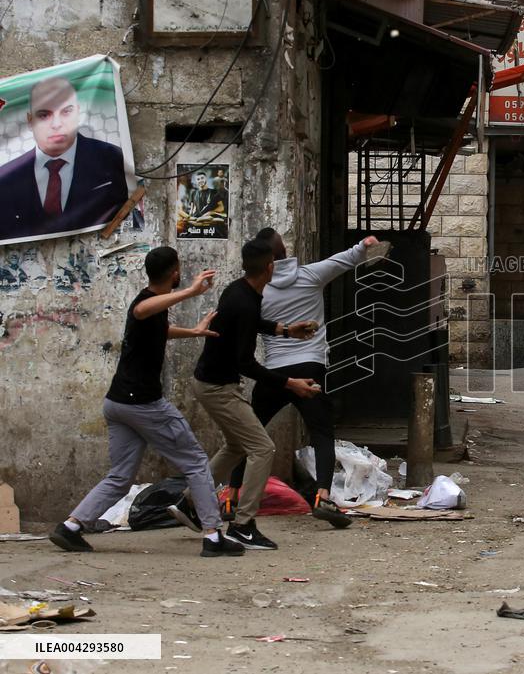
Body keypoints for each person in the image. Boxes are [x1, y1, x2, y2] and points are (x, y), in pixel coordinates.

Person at [49, 247, 245, 558]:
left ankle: (71, 527)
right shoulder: (144, 303)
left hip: (118, 404)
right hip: (142, 404)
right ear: (175, 273)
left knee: (120, 475)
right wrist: (191, 292)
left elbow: (158, 329)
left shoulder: (153, 307)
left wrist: (193, 331)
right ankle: (212, 535)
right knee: (195, 462)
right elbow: (142, 311)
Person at [223, 230, 378, 528]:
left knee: (249, 433)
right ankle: (322, 496)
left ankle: (231, 496)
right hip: (310, 369)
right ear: (281, 255)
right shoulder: (310, 275)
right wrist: (365, 245)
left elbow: (249, 324)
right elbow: (345, 260)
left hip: (273, 373)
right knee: (321, 431)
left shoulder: (257, 291)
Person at [174, 238, 319, 551]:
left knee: (237, 446)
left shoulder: (241, 291)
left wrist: (285, 330)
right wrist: (290, 382)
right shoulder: (244, 301)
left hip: (213, 383)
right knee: (263, 448)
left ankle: (189, 503)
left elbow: (252, 324)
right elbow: (246, 362)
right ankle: (243, 524)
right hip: (219, 388)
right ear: (269, 268)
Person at [0, 77, 129, 242]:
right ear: (30, 121)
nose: (56, 124)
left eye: (66, 112)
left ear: (78, 113)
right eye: (44, 115)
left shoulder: (111, 160)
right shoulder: (6, 179)